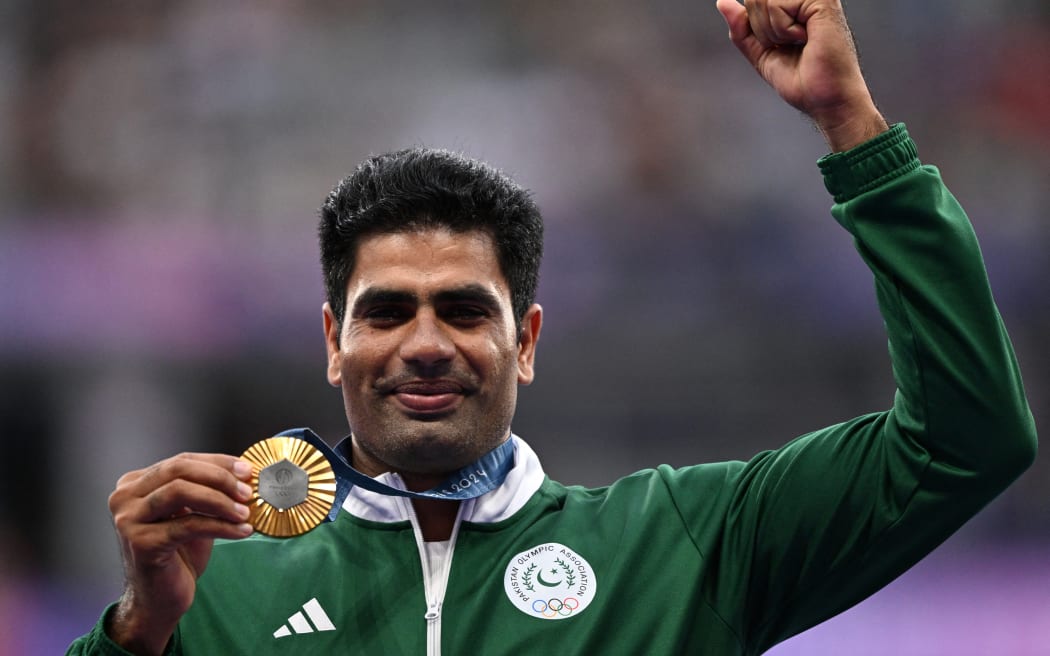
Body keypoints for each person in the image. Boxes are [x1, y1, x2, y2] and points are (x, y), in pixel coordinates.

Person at [68, 1, 1037, 654]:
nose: (426, 341)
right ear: (333, 340)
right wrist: (138, 628)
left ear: (525, 340)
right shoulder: (213, 594)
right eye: (387, 310)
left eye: (463, 308)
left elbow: (968, 437)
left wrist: (853, 127)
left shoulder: (684, 542)